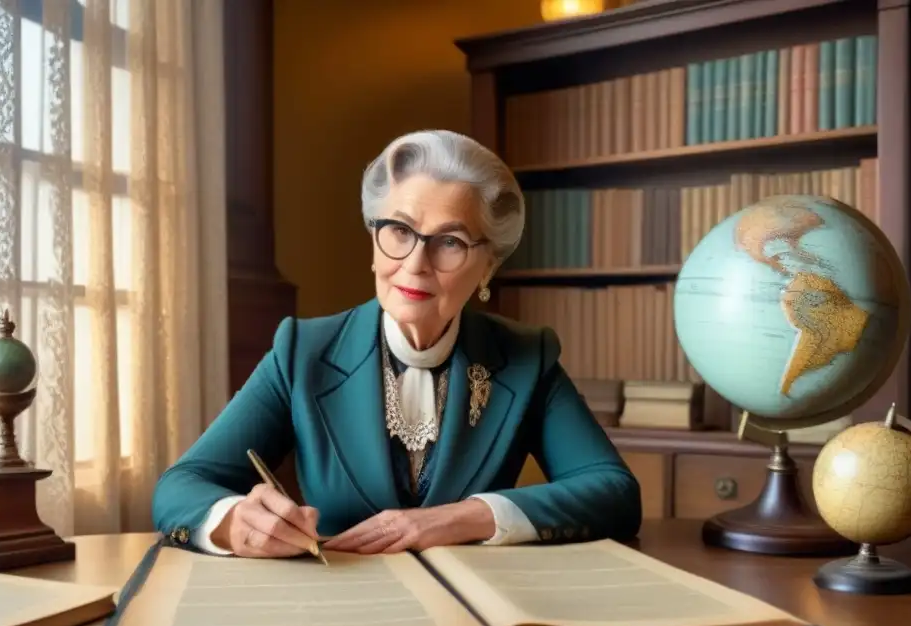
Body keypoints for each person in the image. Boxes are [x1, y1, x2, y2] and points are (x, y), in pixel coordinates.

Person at [152, 129, 641, 558]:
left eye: (449, 241)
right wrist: (235, 521)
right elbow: (180, 487)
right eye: (399, 231)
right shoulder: (302, 351)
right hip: (343, 616)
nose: (415, 263)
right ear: (374, 239)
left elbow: (614, 492)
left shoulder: (526, 357)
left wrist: (462, 517)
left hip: (477, 622)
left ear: (488, 265)